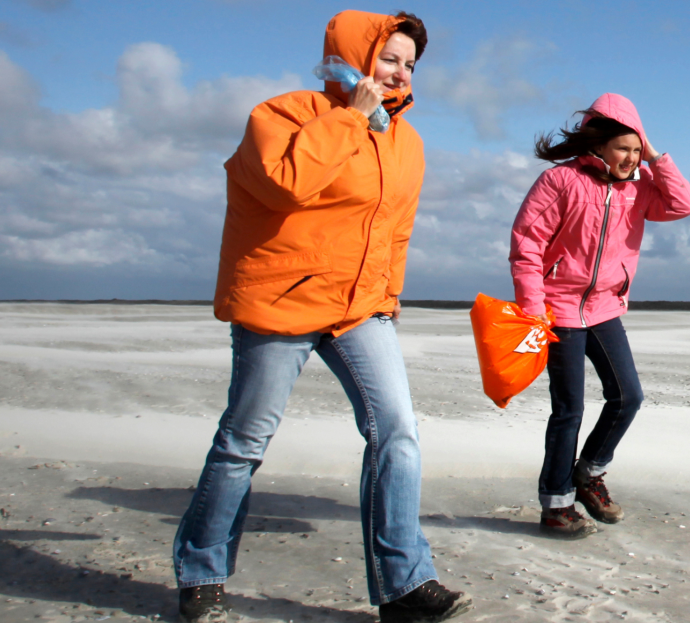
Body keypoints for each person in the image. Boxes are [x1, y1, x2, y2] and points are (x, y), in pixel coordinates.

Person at [171, 10, 469, 623]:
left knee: (398, 433)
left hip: (360, 308)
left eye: (410, 65)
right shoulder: (281, 115)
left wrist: (388, 296)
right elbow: (288, 183)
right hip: (281, 299)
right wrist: (351, 117)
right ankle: (202, 572)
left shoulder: (405, 140)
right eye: (389, 58)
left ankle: (405, 585)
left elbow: (396, 229)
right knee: (244, 442)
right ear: (355, 55)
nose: (399, 73)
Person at [510, 93, 690, 537]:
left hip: (604, 309)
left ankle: (589, 473)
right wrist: (535, 312)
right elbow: (526, 246)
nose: (631, 158)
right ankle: (556, 505)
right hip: (558, 310)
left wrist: (655, 156)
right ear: (599, 145)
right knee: (569, 410)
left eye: (637, 150)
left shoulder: (639, 187)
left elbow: (683, 204)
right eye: (623, 149)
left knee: (628, 396)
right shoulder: (560, 181)